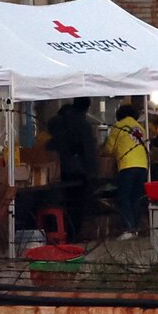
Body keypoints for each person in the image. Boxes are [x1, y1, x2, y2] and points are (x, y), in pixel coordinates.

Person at [46, 97, 98, 240]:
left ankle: (64, 232)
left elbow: (51, 144)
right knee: (78, 204)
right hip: (79, 171)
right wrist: (93, 172)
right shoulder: (83, 125)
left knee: (65, 202)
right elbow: (89, 151)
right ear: (87, 108)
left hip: (59, 170)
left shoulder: (59, 122)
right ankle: (73, 234)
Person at [103, 102, 149, 239]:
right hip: (142, 165)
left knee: (124, 197)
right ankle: (136, 227)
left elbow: (109, 149)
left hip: (127, 165)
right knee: (136, 197)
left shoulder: (118, 126)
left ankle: (129, 228)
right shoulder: (141, 127)